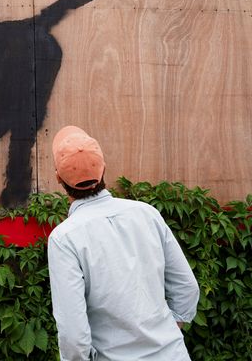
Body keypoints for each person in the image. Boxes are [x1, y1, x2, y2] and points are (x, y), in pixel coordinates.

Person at [47, 125, 199, 360]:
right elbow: (187, 288)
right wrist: (166, 333)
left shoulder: (64, 238)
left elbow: (73, 334)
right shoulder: (147, 213)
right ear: (104, 168)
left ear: (58, 178)